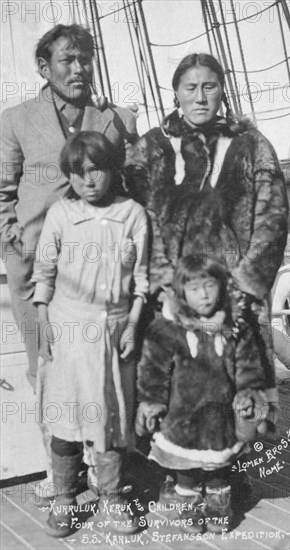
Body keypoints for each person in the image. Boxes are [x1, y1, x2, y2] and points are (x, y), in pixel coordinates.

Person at [125, 51, 288, 414]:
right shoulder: (152, 148)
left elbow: (272, 219)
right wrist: (162, 282)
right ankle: (174, 468)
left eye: (209, 87)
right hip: (170, 295)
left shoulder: (252, 145)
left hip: (235, 294)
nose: (200, 97)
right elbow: (136, 220)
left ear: (222, 91)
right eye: (191, 87)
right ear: (176, 94)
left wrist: (245, 285)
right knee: (174, 388)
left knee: (239, 394)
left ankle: (236, 466)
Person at [0, 24, 138, 389]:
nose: (79, 68)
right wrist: (12, 243)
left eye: (86, 60)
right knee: (47, 369)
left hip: (102, 266)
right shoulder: (15, 120)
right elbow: (1, 192)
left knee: (103, 369)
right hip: (34, 267)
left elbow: (138, 188)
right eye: (68, 60)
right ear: (45, 69)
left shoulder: (118, 119)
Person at [31, 131, 148, 537]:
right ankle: (65, 498)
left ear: (112, 170)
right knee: (66, 420)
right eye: (78, 174)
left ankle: (113, 497)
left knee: (110, 423)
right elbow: (43, 277)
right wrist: (45, 323)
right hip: (68, 332)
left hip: (115, 333)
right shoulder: (61, 215)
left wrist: (132, 324)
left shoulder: (133, 214)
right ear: (70, 177)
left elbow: (142, 282)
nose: (88, 181)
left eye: (96, 170)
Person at [136, 255, 278, 534]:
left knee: (220, 465)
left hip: (221, 416)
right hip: (182, 417)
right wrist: (152, 402)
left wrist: (248, 394)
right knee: (185, 468)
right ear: (181, 293)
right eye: (194, 288)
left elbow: (249, 365)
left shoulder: (235, 326)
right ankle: (189, 504)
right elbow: (153, 369)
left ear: (222, 287)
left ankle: (218, 503)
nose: (203, 294)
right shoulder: (169, 329)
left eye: (210, 285)